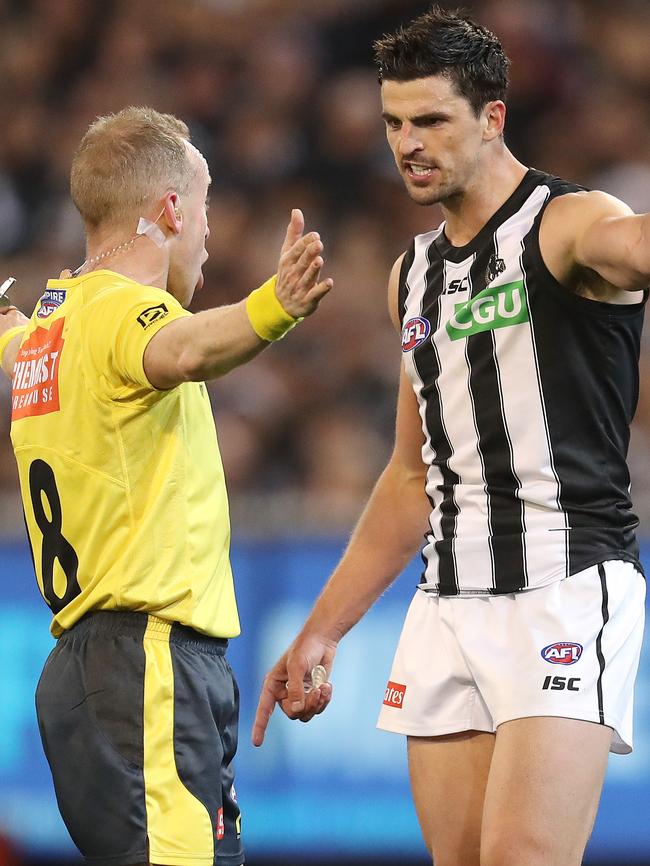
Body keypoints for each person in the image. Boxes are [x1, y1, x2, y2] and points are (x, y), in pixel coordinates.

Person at [252, 7, 650, 866]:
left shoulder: (569, 224)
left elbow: (635, 245)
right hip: (447, 603)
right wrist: (321, 630)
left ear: (493, 118)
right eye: (395, 122)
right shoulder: (414, 274)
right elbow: (409, 477)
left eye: (431, 119)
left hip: (564, 582)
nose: (408, 143)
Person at [0, 106, 331, 866]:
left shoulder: (50, 333)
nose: (211, 229)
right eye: (206, 201)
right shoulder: (123, 311)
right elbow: (180, 350)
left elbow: (16, 341)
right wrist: (274, 305)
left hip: (104, 670)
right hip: (145, 662)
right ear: (171, 210)